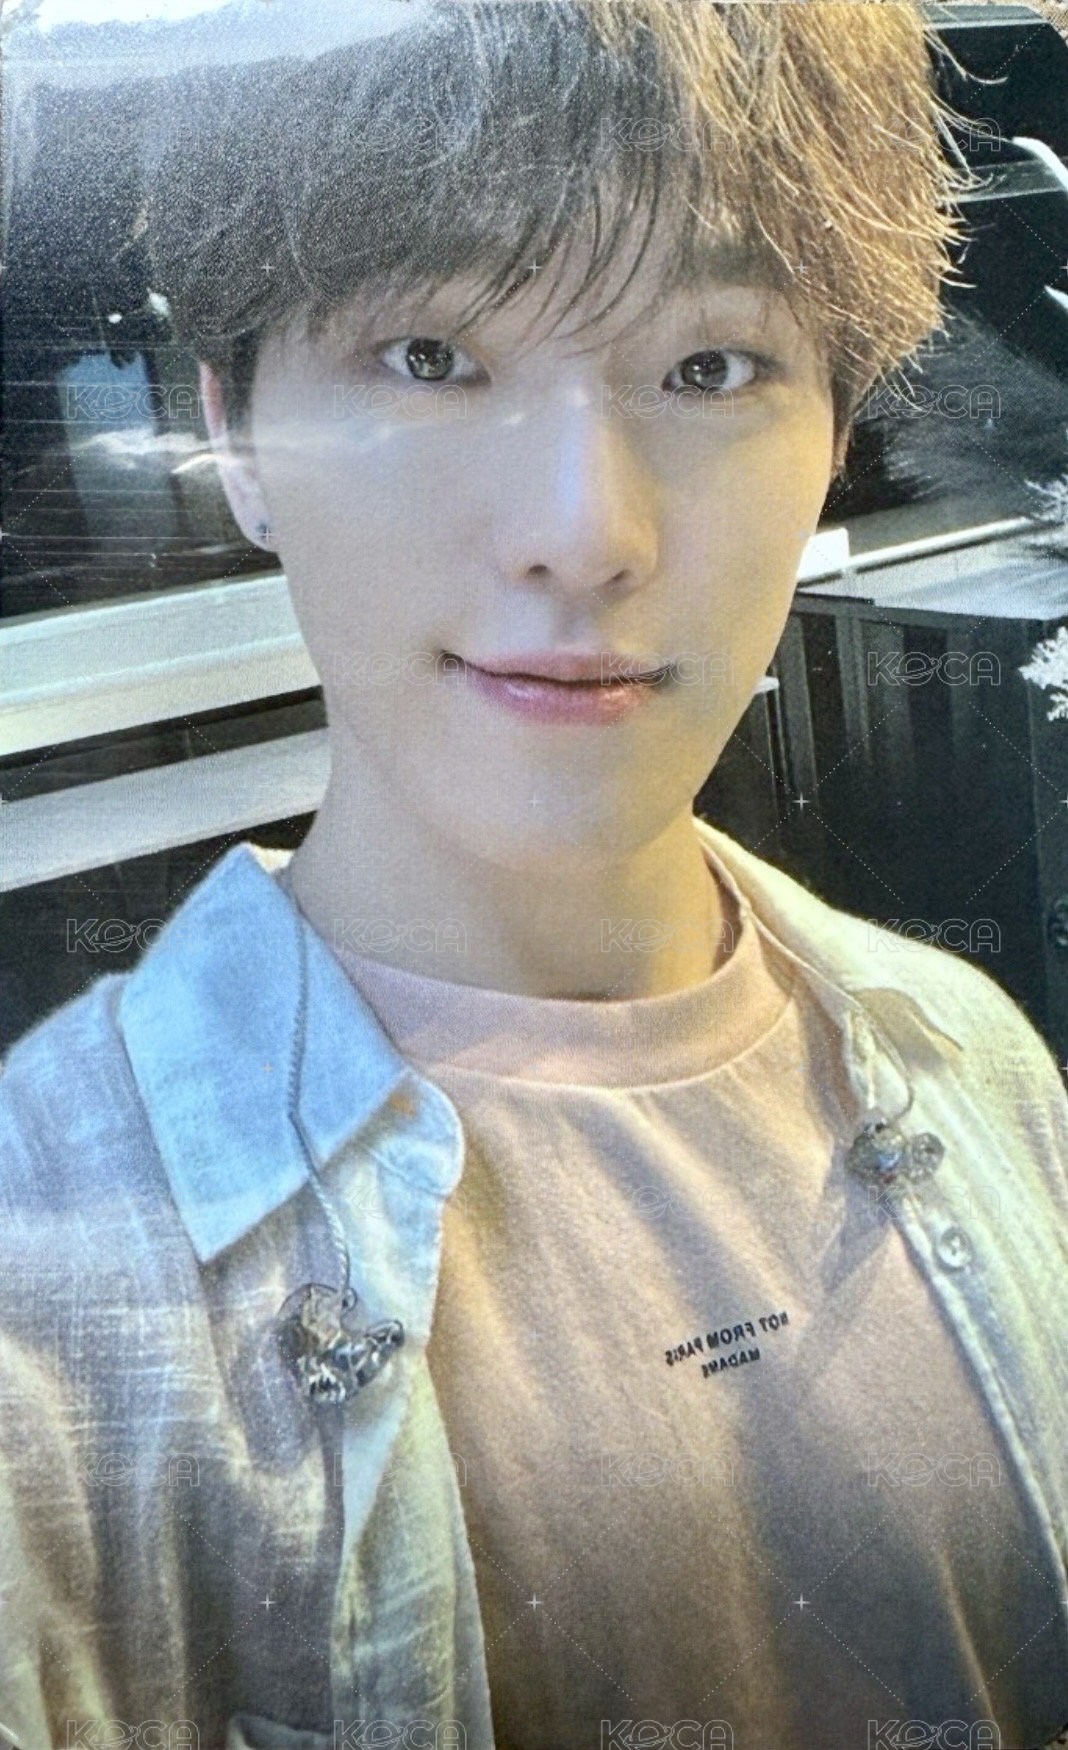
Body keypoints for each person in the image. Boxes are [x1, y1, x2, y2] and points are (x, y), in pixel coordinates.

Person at [1, 2, 1067, 1746]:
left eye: (710, 367)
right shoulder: (49, 1296)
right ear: (234, 433)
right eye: (430, 355)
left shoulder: (985, 1066)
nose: (584, 531)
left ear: (835, 433)